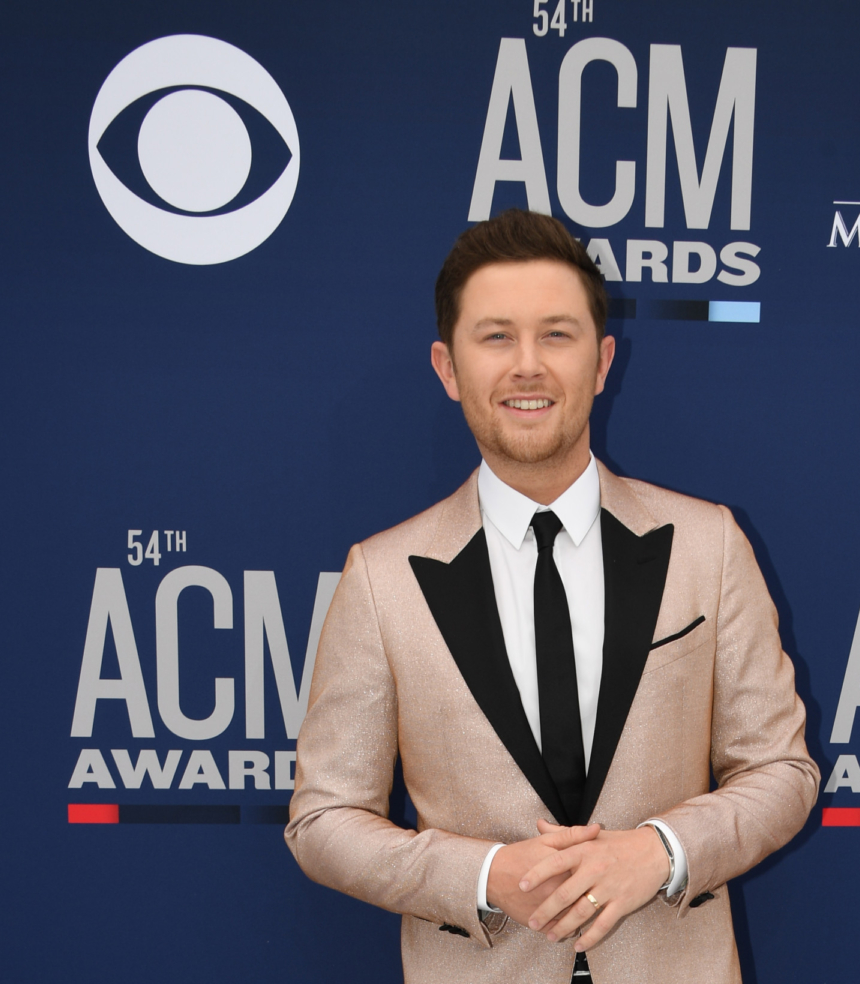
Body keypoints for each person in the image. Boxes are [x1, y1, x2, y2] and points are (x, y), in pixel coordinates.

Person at [285, 209, 819, 984]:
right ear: (447, 366)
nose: (527, 365)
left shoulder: (710, 546)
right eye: (496, 336)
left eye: (557, 335)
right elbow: (323, 820)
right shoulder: (381, 577)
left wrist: (661, 852)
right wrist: (486, 876)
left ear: (603, 362)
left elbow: (782, 772)